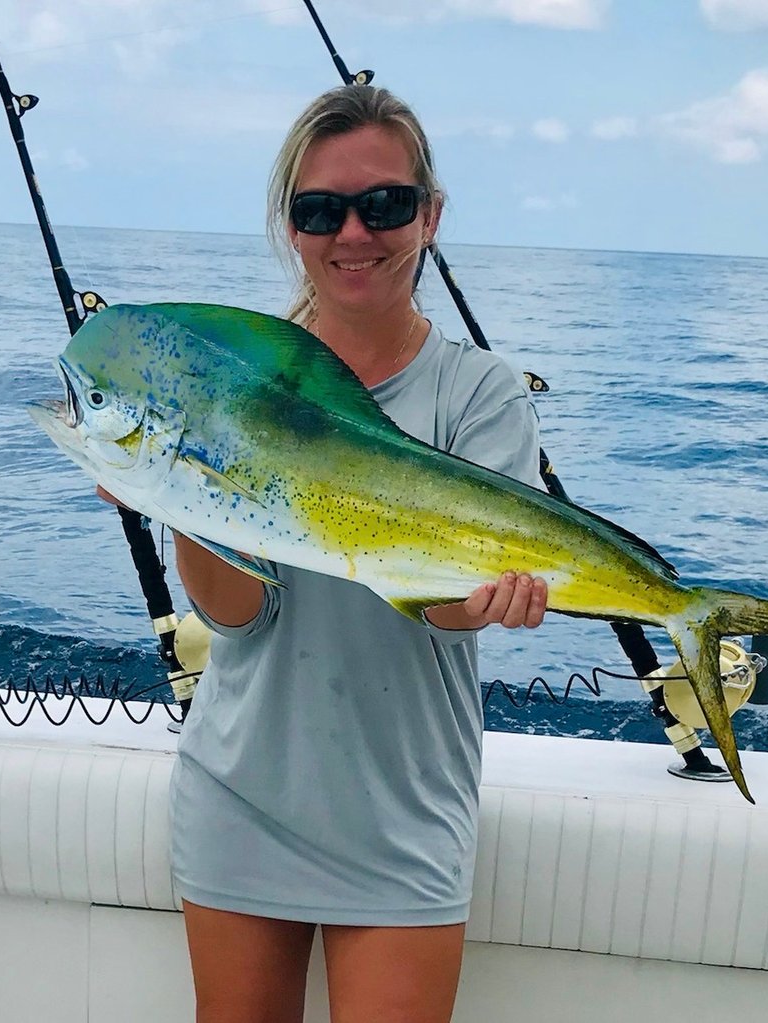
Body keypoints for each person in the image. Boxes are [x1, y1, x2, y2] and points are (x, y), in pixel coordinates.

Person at [168, 84, 550, 1023]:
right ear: (290, 226)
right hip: (239, 792)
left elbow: (455, 610)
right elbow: (236, 613)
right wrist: (174, 493)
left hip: (405, 810)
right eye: (319, 210)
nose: (353, 234)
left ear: (429, 215)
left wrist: (490, 598)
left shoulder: (481, 393)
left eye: (384, 204)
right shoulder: (236, 387)